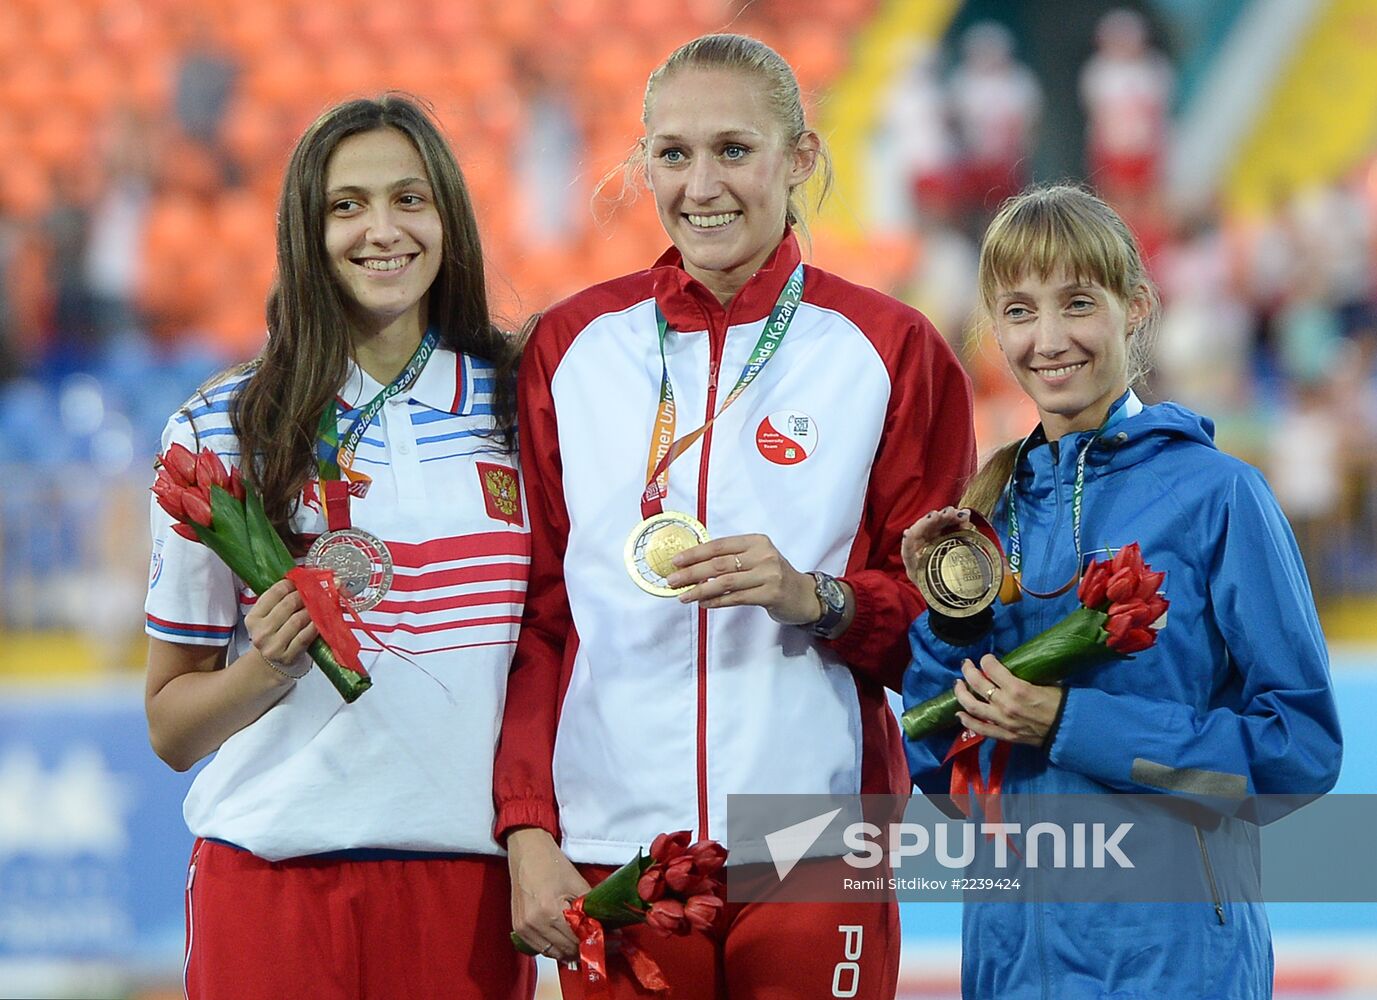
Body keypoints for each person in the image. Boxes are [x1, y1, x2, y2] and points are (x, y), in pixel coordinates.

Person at [495, 33, 976, 999]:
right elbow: (540, 615)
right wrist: (527, 830)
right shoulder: (571, 346)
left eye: (733, 149)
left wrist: (820, 598)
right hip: (616, 840)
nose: (699, 185)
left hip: (816, 837)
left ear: (798, 159)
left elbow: (947, 625)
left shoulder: (891, 351)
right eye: (671, 154)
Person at [900, 184, 1342, 999]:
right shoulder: (989, 510)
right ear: (993, 327)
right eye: (1019, 311)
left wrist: (1072, 723)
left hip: (1173, 965)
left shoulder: (1219, 496)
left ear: (1133, 307)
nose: (1048, 339)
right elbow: (939, 773)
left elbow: (1298, 752)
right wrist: (951, 621)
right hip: (1011, 963)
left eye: (1076, 303)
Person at [143, 95, 534, 1000]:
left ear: (447, 218)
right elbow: (170, 727)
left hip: (467, 888)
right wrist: (266, 668)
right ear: (303, 233)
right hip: (273, 882)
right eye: (345, 206)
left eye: (409, 199)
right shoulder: (221, 429)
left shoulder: (522, 406)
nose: (381, 230)